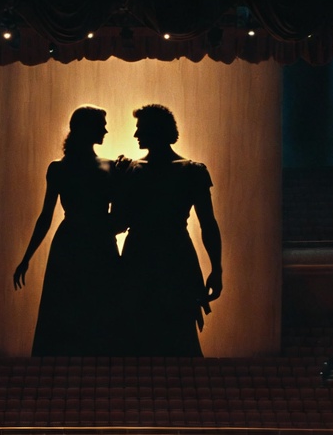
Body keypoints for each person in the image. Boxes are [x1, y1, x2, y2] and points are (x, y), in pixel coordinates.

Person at [14, 104, 122, 356]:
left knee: (84, 305)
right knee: (76, 306)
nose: (105, 129)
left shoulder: (67, 168)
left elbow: (46, 218)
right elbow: (45, 217)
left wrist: (27, 258)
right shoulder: (74, 168)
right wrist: (26, 257)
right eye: (100, 124)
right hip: (90, 242)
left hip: (76, 240)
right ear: (86, 128)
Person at [115, 104, 223, 356]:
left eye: (140, 129)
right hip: (176, 255)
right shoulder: (192, 171)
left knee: (139, 334)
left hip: (140, 256)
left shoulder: (132, 171)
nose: (135, 135)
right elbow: (208, 223)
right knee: (178, 335)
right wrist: (215, 269)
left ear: (155, 130)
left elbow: (119, 222)